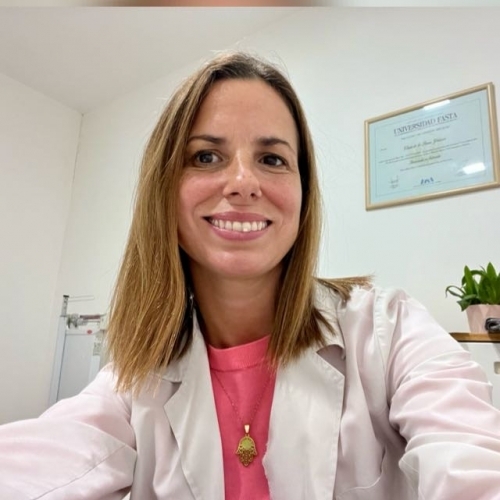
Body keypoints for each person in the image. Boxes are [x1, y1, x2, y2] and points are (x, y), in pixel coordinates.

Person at [1, 52, 500, 500]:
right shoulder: (134, 380)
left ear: (303, 197)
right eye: (206, 156)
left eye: (272, 159)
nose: (243, 183)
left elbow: (468, 455)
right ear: (164, 192)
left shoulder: (389, 331)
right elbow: (41, 465)